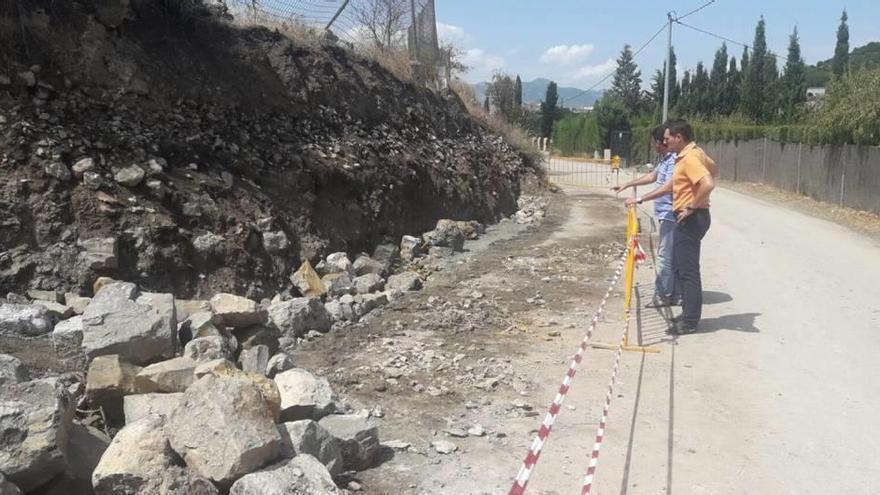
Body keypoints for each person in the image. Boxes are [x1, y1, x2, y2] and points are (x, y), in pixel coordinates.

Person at [614, 125, 680, 308]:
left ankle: (664, 295)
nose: (653, 146)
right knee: (670, 256)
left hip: (670, 214)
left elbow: (668, 187)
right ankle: (674, 293)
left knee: (665, 256)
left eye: (654, 142)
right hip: (666, 214)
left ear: (660, 142)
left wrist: (639, 199)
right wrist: (627, 184)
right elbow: (652, 177)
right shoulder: (666, 159)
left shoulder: (675, 160)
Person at [662, 119, 717, 334]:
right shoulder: (696, 153)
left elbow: (708, 183)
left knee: (688, 271)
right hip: (693, 216)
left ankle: (690, 320)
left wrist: (692, 206)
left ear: (679, 137)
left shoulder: (691, 157)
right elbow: (713, 170)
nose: (665, 142)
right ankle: (687, 313)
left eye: (667, 139)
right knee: (679, 266)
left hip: (691, 218)